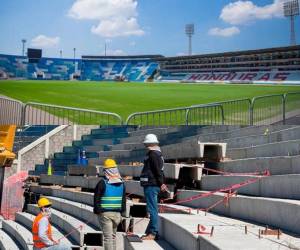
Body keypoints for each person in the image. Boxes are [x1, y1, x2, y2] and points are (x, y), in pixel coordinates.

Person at [94, 159, 126, 250]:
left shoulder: (102, 183)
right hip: (117, 214)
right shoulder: (122, 183)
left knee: (108, 238)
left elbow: (96, 198)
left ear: (106, 171)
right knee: (113, 237)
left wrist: (97, 210)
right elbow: (123, 200)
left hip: (105, 214)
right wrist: (122, 212)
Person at [140, 134, 167, 240]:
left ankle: (153, 233)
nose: (145, 145)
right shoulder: (157, 154)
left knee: (152, 209)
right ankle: (150, 232)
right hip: (151, 184)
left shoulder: (153, 154)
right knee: (152, 209)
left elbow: (157, 170)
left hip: (152, 185)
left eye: (146, 144)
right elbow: (159, 170)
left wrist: (161, 183)